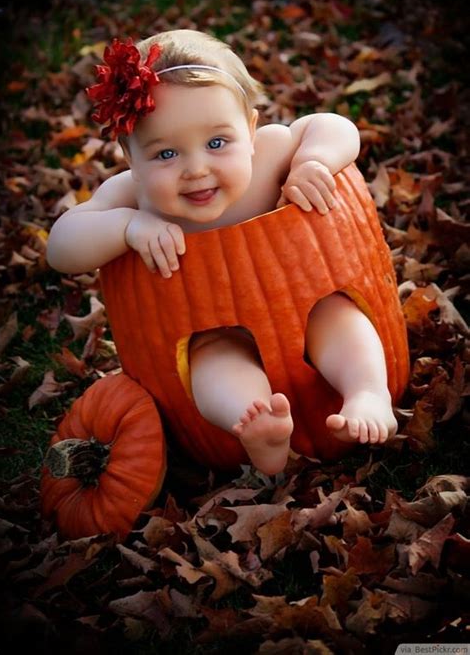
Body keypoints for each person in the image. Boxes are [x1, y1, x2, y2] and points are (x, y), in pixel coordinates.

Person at [47, 29, 398, 475]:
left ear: (249, 130)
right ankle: (255, 427)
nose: (196, 169)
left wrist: (314, 161)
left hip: (307, 303)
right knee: (211, 361)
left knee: (336, 314)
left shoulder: (270, 154)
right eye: (166, 153)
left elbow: (332, 125)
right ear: (130, 158)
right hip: (213, 330)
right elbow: (61, 246)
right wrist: (127, 225)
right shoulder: (132, 199)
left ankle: (368, 391)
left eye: (217, 143)